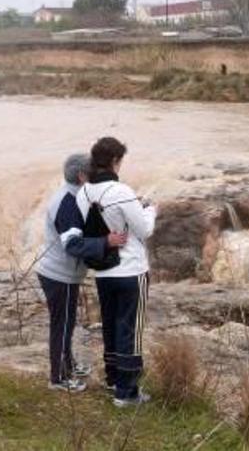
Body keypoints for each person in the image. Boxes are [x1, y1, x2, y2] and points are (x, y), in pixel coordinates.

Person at [76, 137, 157, 408]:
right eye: (120, 160)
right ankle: (127, 392)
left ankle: (113, 379)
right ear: (114, 161)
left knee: (110, 327)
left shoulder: (83, 193)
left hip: (103, 272)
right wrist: (150, 210)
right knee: (130, 330)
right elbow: (144, 231)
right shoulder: (121, 191)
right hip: (131, 270)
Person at [36, 153, 127, 392]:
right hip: (58, 275)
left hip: (61, 273)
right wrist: (107, 242)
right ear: (81, 176)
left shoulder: (73, 196)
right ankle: (58, 378)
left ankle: (68, 365)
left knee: (67, 321)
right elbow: (73, 245)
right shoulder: (67, 204)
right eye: (93, 173)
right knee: (62, 325)